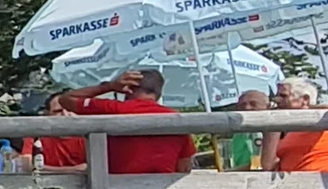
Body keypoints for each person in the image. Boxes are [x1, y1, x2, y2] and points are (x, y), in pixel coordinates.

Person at [58, 69, 195, 174]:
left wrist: (109, 86)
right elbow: (184, 166)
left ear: (128, 88)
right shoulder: (177, 119)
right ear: (159, 94)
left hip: (115, 185)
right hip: (163, 185)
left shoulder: (113, 109)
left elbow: (66, 100)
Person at [262, 79, 328, 173]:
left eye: (283, 96)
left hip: (324, 180)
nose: (276, 100)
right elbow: (268, 165)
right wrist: (273, 123)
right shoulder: (283, 130)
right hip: (296, 182)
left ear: (305, 99)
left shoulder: (320, 118)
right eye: (277, 96)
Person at [20, 91, 87, 173]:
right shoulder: (35, 134)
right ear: (48, 115)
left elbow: (97, 165)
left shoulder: (89, 135)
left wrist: (44, 168)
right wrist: (72, 170)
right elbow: (27, 166)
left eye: (70, 110)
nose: (65, 114)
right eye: (58, 111)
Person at [226, 89, 271, 170]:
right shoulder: (239, 131)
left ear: (267, 107)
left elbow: (257, 166)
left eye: (253, 104)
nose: (247, 108)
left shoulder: (270, 131)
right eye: (242, 105)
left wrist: (228, 172)